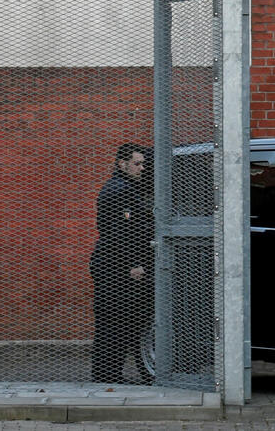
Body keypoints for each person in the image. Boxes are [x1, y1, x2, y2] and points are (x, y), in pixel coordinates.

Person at [90, 143, 155, 383]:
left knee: (115, 320)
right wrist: (134, 263)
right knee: (115, 321)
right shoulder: (121, 190)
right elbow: (120, 233)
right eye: (137, 163)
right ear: (122, 164)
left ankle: (106, 375)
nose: (142, 168)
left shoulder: (122, 187)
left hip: (112, 263)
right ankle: (107, 376)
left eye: (143, 164)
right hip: (115, 266)